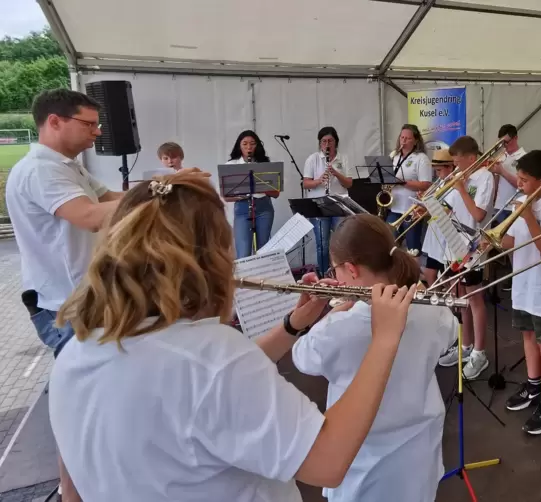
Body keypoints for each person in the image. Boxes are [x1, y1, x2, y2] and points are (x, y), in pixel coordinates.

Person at [49, 171, 418, 502]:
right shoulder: (214, 357)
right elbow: (327, 460)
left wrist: (294, 324)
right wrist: (385, 338)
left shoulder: (74, 355)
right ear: (210, 258)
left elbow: (72, 490)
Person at [6, 89, 126, 502]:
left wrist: (168, 185)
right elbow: (91, 216)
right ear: (54, 122)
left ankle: (75, 489)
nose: (97, 132)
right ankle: (74, 494)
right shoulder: (42, 170)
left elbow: (113, 199)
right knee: (82, 407)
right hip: (64, 305)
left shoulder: (67, 167)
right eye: (88, 124)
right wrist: (164, 193)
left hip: (83, 299)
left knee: (89, 401)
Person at [292, 213, 456, 502]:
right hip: (419, 456)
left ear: (351, 270)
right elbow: (452, 332)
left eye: (335, 270)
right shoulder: (433, 311)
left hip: (363, 465)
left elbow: (302, 356)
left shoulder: (339, 329)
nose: (336, 277)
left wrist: (336, 310)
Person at [493, 150, 541, 435]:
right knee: (527, 335)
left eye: (524, 180)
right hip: (522, 280)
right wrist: (494, 242)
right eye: (518, 179)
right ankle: (533, 385)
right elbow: (512, 241)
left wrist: (528, 215)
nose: (519, 185)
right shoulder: (522, 201)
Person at [436, 136, 494, 380]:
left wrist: (460, 187)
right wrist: (430, 207)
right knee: (461, 298)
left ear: (472, 158)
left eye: (459, 162)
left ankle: (480, 352)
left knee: (475, 298)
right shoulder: (460, 177)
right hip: (453, 243)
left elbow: (479, 214)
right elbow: (449, 208)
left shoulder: (485, 178)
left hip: (473, 246)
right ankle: (466, 345)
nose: (456, 167)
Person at [303, 126, 354, 275]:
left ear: (335, 142)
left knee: (341, 243)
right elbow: (306, 183)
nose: (327, 144)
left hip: (339, 204)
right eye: (323, 141)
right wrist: (319, 181)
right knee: (322, 244)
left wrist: (336, 173)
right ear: (320, 144)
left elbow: (349, 183)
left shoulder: (343, 158)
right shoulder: (313, 159)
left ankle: (341, 275)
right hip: (319, 205)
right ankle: (324, 275)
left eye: (330, 141)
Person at [225, 130, 278, 258]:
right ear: (239, 145)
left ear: (257, 145)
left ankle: (263, 278)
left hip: (264, 207)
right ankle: (245, 278)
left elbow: (275, 193)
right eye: (245, 144)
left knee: (263, 250)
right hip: (243, 207)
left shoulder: (265, 164)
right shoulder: (231, 165)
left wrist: (261, 188)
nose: (249, 147)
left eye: (252, 144)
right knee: (243, 252)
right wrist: (241, 194)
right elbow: (226, 197)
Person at [386, 124, 432, 252]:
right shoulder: (394, 156)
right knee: (389, 244)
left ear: (416, 141)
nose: (404, 141)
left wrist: (401, 182)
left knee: (412, 248)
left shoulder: (421, 158)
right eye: (402, 137)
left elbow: (426, 185)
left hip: (411, 209)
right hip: (394, 207)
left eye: (408, 138)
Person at [422, 149, 455, 286]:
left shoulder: (455, 184)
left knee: (446, 276)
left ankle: (444, 302)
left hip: (446, 234)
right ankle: (435, 298)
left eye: (439, 170)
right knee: (430, 273)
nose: (437, 175)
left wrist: (430, 207)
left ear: (450, 167)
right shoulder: (441, 183)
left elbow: (450, 210)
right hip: (435, 232)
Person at [489, 124, 526, 223]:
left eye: (506, 142)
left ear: (516, 138)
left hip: (515, 207)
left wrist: (502, 171)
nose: (504, 146)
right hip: (499, 206)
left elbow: (521, 186)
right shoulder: (501, 156)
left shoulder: (524, 157)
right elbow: (496, 182)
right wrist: (493, 173)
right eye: (501, 143)